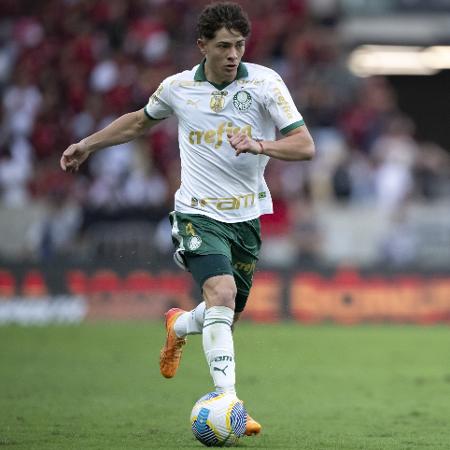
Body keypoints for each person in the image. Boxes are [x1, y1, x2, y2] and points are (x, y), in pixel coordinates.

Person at [60, 1, 315, 436]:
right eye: (223, 46)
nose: (233, 54)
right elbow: (139, 123)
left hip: (246, 219)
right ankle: (229, 401)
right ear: (202, 46)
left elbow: (305, 145)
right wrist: (88, 144)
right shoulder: (177, 88)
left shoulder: (267, 84)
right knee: (221, 291)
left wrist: (259, 144)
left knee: (224, 314)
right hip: (196, 212)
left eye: (238, 45)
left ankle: (178, 323)